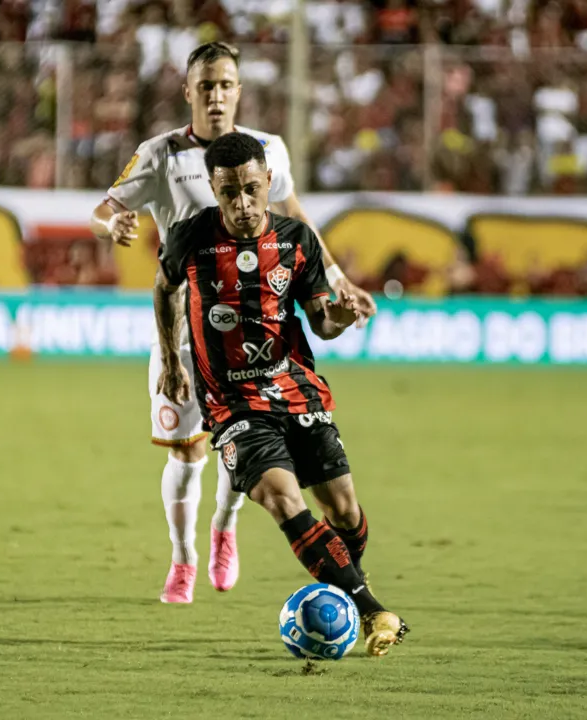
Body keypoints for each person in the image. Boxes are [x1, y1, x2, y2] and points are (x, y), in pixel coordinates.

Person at [89, 42, 377, 604]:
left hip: (252, 336)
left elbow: (294, 218)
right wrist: (113, 225)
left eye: (226, 85)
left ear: (239, 90)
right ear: (188, 91)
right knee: (185, 452)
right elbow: (104, 207)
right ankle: (183, 557)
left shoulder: (266, 150)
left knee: (244, 446)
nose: (216, 95)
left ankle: (224, 528)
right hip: (180, 327)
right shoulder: (162, 153)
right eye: (205, 86)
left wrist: (336, 275)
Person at [154, 131, 408, 657]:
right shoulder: (191, 237)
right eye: (229, 193)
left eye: (251, 189)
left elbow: (320, 319)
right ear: (213, 188)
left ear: (269, 180)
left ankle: (347, 595)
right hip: (232, 401)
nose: (243, 204)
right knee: (281, 498)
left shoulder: (296, 240)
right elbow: (164, 288)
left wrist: (336, 321)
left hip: (294, 386)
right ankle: (372, 610)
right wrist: (171, 361)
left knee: (344, 511)